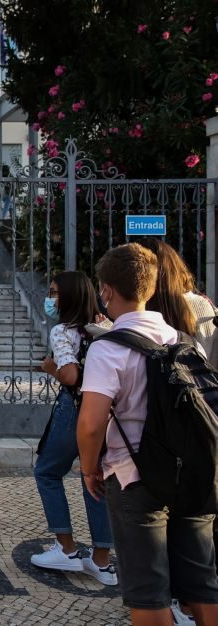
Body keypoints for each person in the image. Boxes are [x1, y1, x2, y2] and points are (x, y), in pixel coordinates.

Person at [78, 243, 218, 626]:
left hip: (134, 476)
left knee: (148, 593)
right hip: (192, 474)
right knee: (202, 584)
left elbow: (91, 423)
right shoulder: (184, 342)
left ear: (105, 291)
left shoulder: (107, 349)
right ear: (151, 289)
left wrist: (89, 469)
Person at [29, 271, 117, 586]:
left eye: (54, 293)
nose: (50, 299)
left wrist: (52, 367)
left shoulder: (63, 331)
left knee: (47, 472)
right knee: (94, 478)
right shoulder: (106, 327)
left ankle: (66, 548)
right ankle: (102, 561)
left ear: (68, 296)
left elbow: (69, 376)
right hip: (106, 411)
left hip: (74, 408)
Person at [139, 237, 218, 368]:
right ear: (175, 267)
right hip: (200, 386)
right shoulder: (202, 306)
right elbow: (213, 362)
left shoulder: (137, 311)